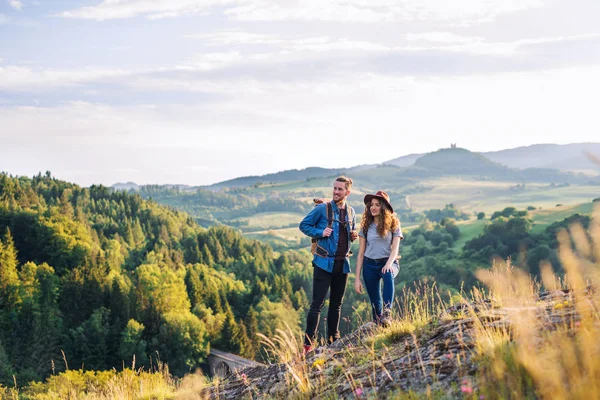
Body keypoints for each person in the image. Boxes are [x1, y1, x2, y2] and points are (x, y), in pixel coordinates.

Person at [299, 176, 357, 353]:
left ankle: (333, 341)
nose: (336, 192)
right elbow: (303, 225)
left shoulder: (351, 212)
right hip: (323, 263)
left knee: (336, 305)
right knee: (317, 305)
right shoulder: (321, 209)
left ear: (348, 192)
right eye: (335, 188)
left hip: (342, 264)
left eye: (340, 189)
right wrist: (320, 232)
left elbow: (348, 233)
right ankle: (308, 346)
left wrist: (352, 236)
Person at [354, 191, 403, 327]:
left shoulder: (394, 224)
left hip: (388, 262)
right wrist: (357, 278)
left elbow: (395, 249)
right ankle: (379, 325)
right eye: (372, 205)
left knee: (388, 274)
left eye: (377, 205)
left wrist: (388, 264)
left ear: (384, 207)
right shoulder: (365, 226)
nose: (373, 207)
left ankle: (387, 312)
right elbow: (360, 253)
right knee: (376, 305)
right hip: (369, 265)